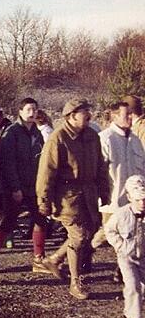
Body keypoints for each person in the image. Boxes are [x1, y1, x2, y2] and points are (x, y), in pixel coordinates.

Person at [37, 99, 110, 300]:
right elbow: (46, 172)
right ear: (71, 115)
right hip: (66, 196)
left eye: (89, 110)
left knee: (87, 233)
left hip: (88, 193)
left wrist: (105, 192)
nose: (89, 114)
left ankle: (54, 259)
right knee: (78, 236)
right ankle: (75, 283)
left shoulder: (92, 136)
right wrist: (43, 200)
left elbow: (101, 167)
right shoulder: (57, 138)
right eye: (84, 111)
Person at [0, 98, 52, 275]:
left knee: (40, 219)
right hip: (13, 187)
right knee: (8, 221)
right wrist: (15, 188)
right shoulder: (12, 132)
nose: (32, 113)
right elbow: (8, 162)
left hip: (33, 186)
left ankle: (39, 258)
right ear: (21, 112)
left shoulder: (37, 133)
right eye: (29, 109)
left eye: (35, 109)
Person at [91, 102, 145, 274]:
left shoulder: (135, 139)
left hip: (132, 199)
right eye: (125, 114)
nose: (130, 117)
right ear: (114, 116)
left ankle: (122, 271)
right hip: (113, 198)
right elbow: (98, 171)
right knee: (106, 233)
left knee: (130, 234)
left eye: (131, 114)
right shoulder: (105, 139)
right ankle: (66, 257)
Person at [104, 174, 145, 318]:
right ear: (129, 197)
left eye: (144, 199)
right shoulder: (121, 215)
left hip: (143, 257)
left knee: (142, 288)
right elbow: (109, 231)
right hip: (127, 258)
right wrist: (120, 246)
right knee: (133, 287)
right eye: (138, 199)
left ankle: (129, 311)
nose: (142, 203)